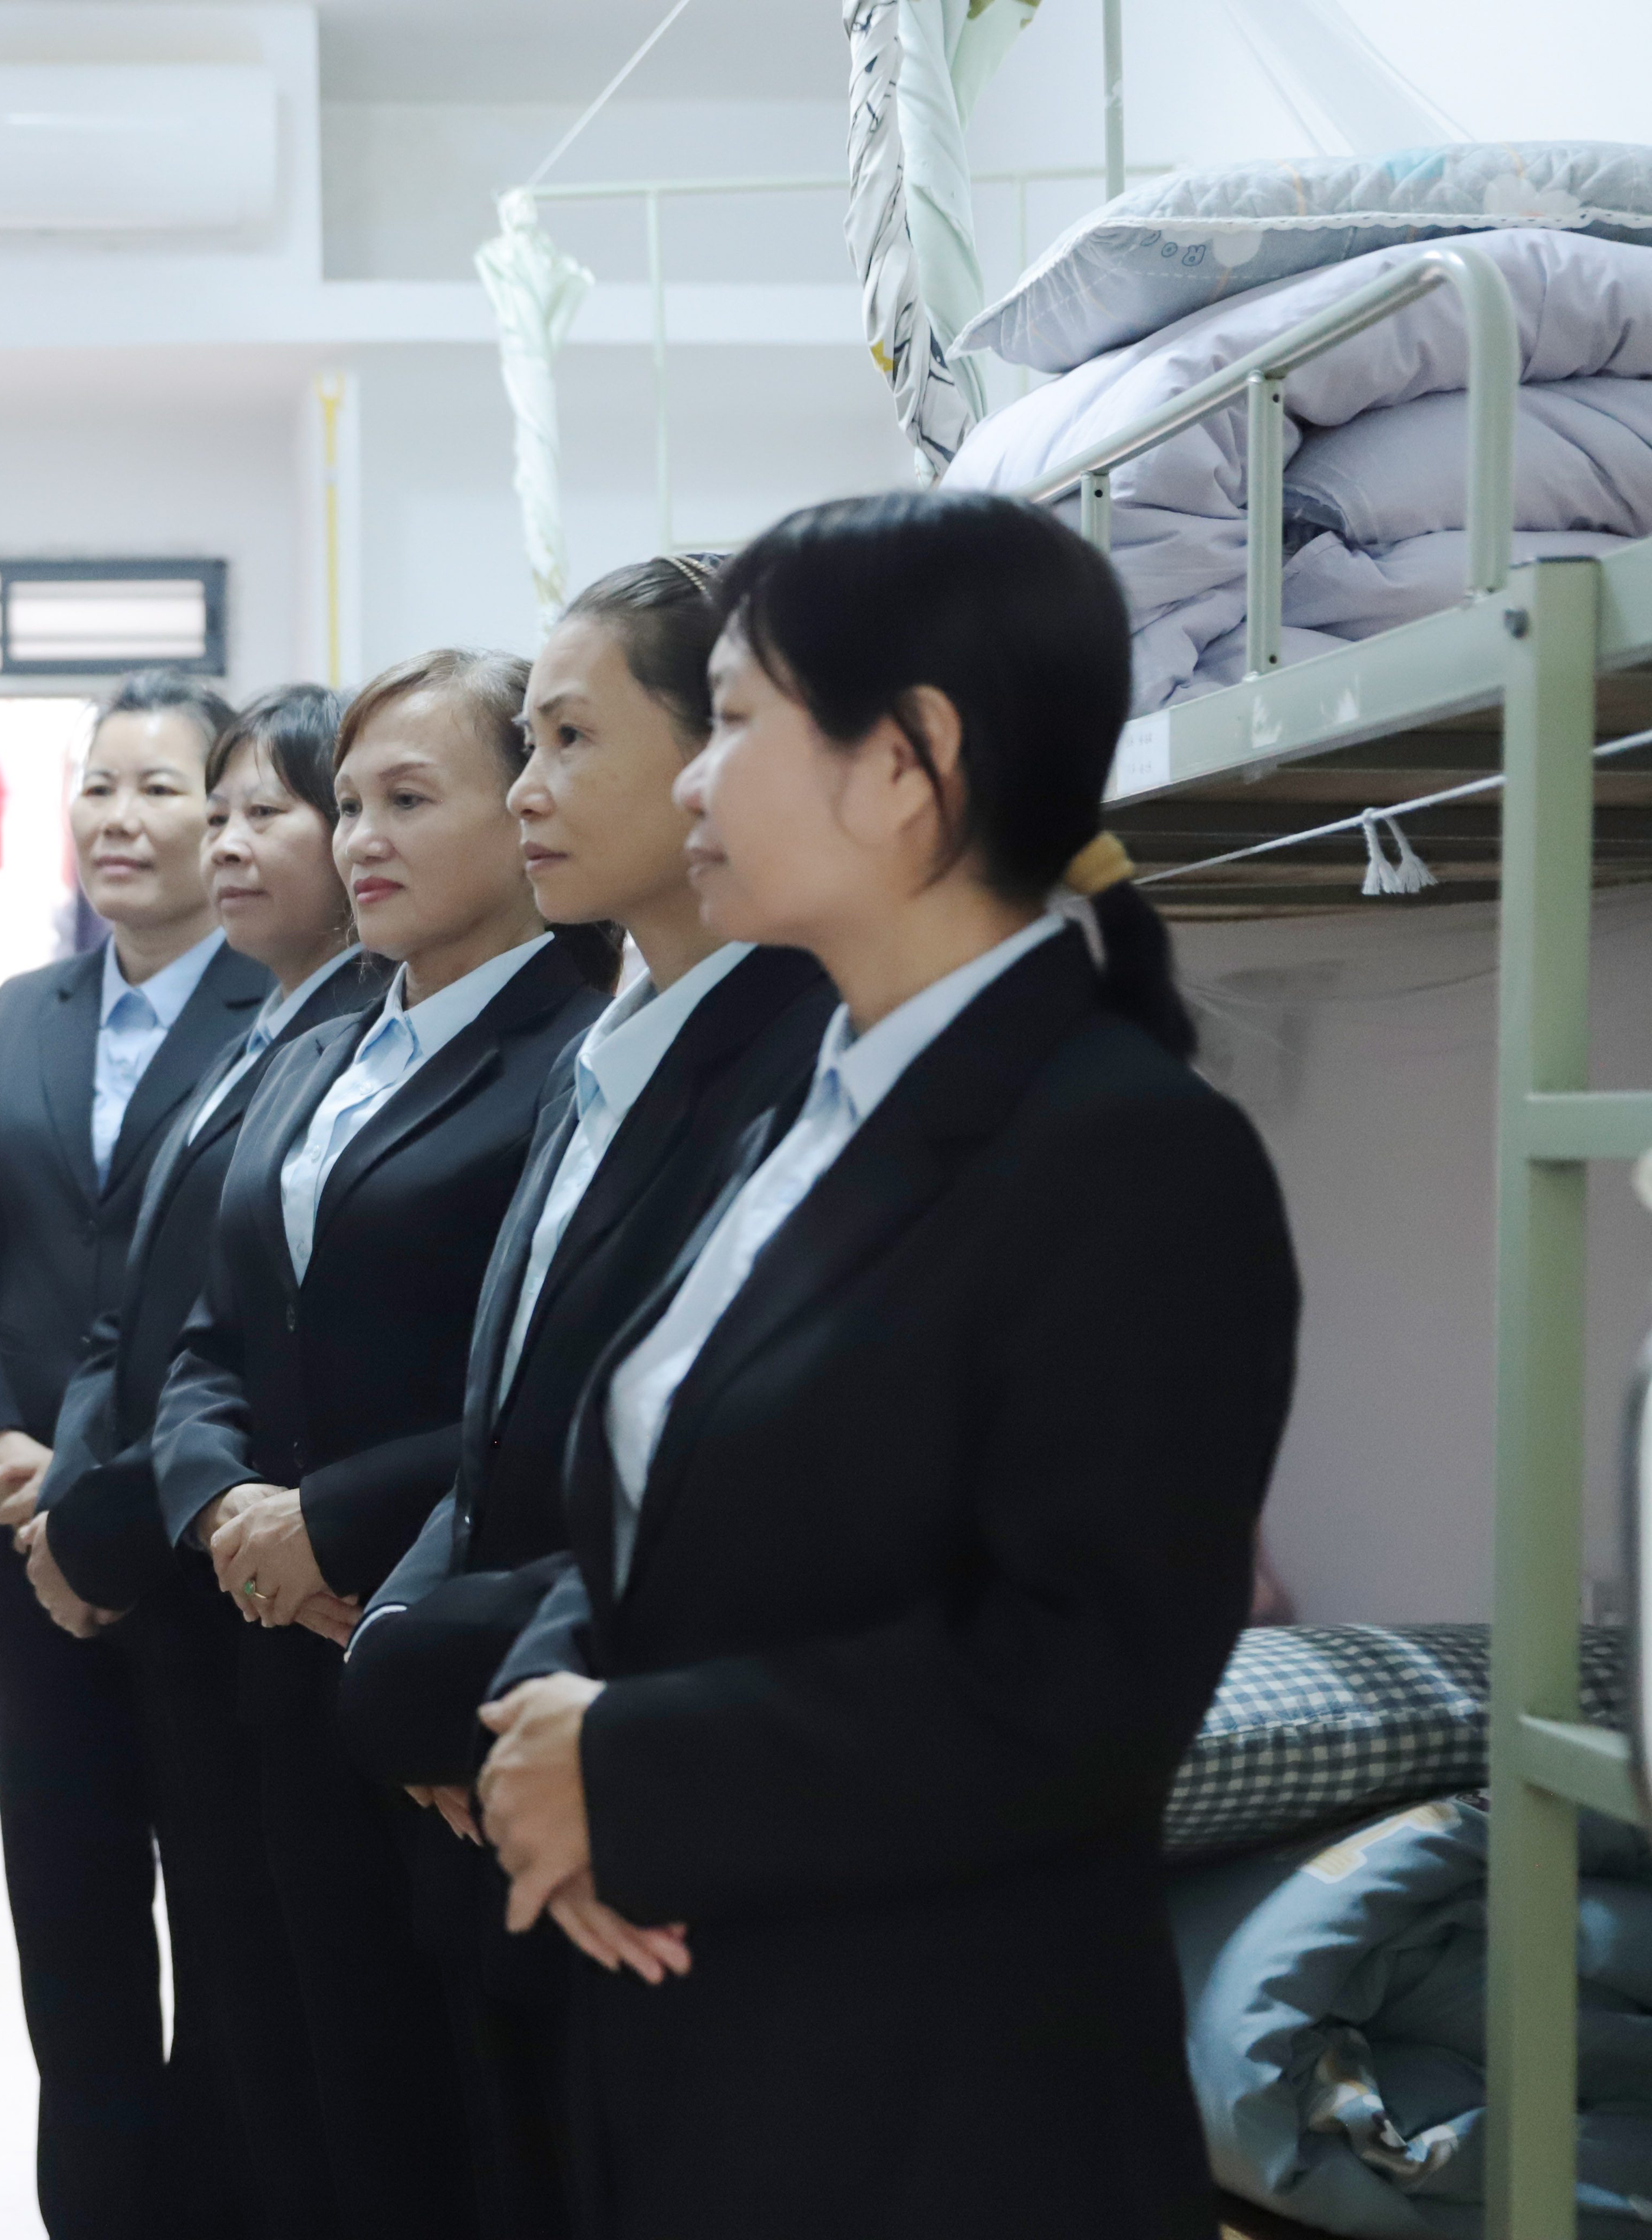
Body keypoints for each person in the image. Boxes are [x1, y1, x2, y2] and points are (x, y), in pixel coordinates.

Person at [471, 490, 1301, 2240]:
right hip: (707, 2050)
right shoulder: (811, 1104)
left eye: (737, 722)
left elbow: (1087, 1680)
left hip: (937, 2106)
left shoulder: (1130, 1157)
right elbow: (649, 1494)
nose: (694, 783)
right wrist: (559, 1732)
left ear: (907, 765)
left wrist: (631, 1773)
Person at [330, 557, 833, 2236]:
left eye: (566, 740)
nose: (528, 789)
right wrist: (412, 1650)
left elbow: (737, 1489)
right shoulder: (605, 1049)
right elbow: (498, 1432)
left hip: (625, 1783)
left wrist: (467, 1679)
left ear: (715, 753)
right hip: (494, 1772)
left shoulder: (798, 1062)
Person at [152, 650, 606, 2237]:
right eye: (347, 805)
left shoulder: (578, 1050)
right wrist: (226, 1508)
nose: (362, 840)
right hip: (273, 1634)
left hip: (440, 1633)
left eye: (410, 800)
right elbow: (211, 1329)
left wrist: (331, 1527)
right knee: (307, 2080)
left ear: (524, 811)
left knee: (448, 2118)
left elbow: (549, 1385)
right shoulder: (332, 1035)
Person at [0, 671, 274, 2238]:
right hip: (22, 1540)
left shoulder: (289, 1007)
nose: (118, 819)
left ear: (231, 817)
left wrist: (97, 1485)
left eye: (160, 787)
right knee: (70, 1913)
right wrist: (0, 1446)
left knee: (226, 1910)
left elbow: (230, 1297)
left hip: (192, 1542)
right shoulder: (28, 1014)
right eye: (98, 785)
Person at [20, 684, 382, 2239]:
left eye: (259, 812)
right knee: (182, 1960)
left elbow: (217, 1334)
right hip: (152, 1527)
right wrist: (51, 1497)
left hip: (258, 1574)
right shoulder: (276, 1033)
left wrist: (100, 1527)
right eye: (214, 812)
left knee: (275, 2002)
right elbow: (120, 1311)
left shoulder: (331, 1027)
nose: (226, 844)